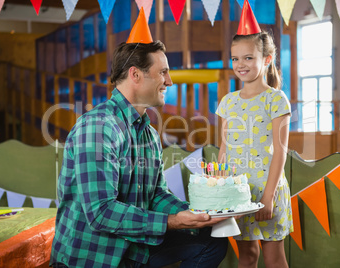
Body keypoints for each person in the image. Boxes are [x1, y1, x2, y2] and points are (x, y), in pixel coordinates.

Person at [50, 40, 231, 268]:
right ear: (135, 75)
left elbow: (155, 195)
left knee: (210, 241)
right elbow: (100, 212)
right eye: (163, 72)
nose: (169, 81)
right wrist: (172, 222)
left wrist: (198, 215)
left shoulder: (149, 134)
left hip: (133, 249)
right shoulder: (98, 126)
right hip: (93, 258)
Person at [216, 30, 293, 268]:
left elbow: (280, 152)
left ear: (267, 59)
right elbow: (224, 149)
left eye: (248, 58)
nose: (240, 64)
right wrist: (222, 187)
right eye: (235, 58)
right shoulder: (228, 101)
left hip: (267, 190)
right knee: (247, 256)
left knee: (273, 258)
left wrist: (268, 197)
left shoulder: (276, 100)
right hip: (239, 193)